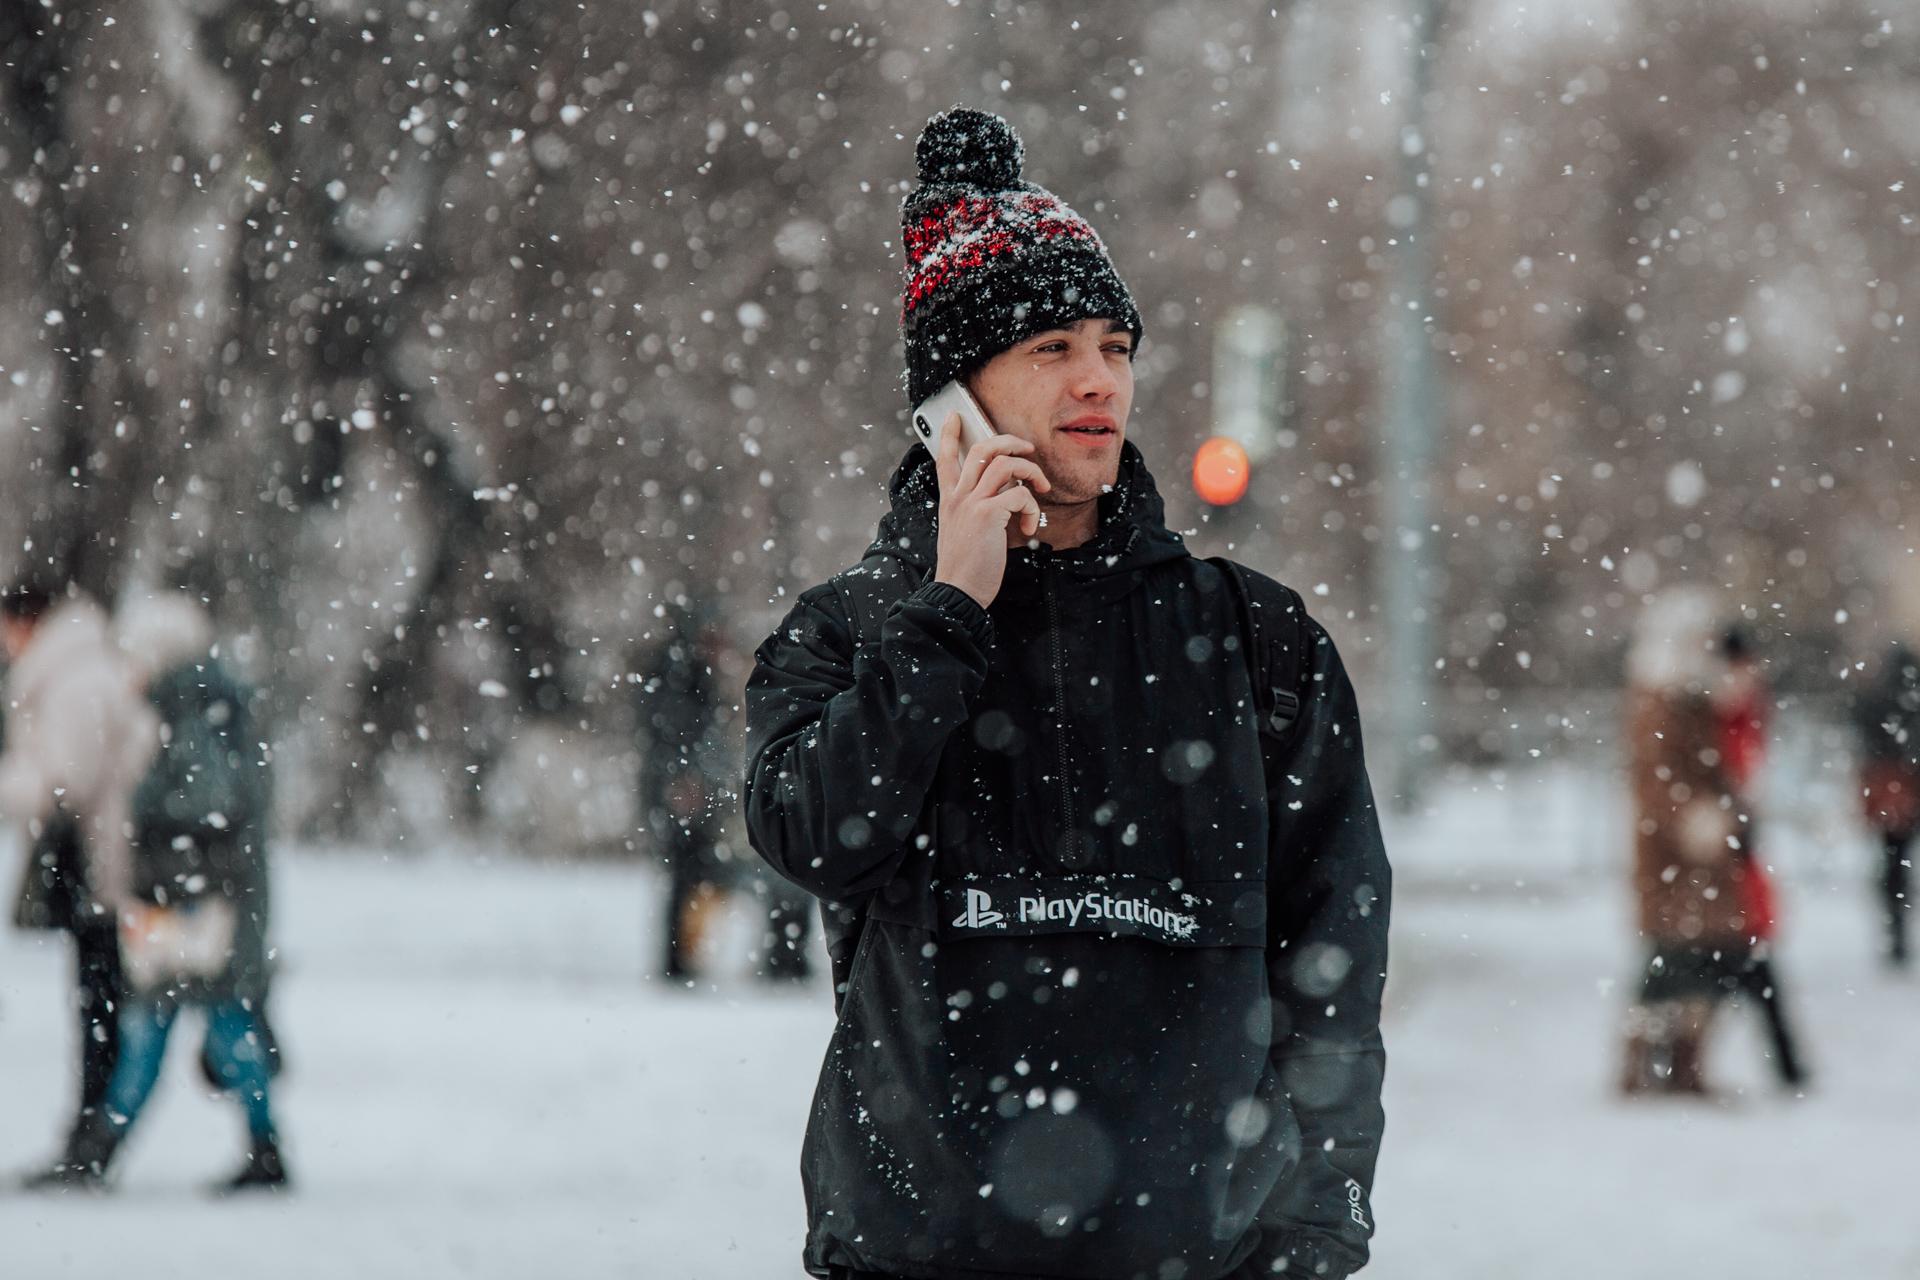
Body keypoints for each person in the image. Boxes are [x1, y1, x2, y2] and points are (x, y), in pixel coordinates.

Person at [744, 108, 1390, 1280]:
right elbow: (811, 835)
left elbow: (1334, 959)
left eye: (1116, 345)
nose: (1098, 379)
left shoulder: (1257, 639)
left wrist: (1313, 1233)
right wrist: (948, 610)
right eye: (1051, 348)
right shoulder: (852, 632)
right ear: (951, 397)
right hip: (921, 1255)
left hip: (1201, 1259)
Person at [24, 590, 286, 1192]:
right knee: (208, 1018)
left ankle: (106, 1148)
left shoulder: (190, 703)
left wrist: (141, 804)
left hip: (199, 896)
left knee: (171, 1018)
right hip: (210, 891)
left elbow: (206, 798)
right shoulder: (210, 698)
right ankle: (255, 1144)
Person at [2, 581, 154, 1171]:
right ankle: (90, 1137)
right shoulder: (77, 669)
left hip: (100, 867)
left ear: (26, 622)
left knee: (100, 1007)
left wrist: (11, 785)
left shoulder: (72, 680)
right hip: (99, 864)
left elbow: (67, 778)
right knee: (102, 1004)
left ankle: (91, 1140)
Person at [1619, 593, 1772, 1096]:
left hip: (1700, 858)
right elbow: (1656, 780)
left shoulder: (1690, 700)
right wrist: (1693, 818)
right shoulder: (1660, 702)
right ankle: (1648, 1067)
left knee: (1697, 962)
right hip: (1674, 856)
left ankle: (1679, 1066)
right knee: (1670, 962)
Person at [639, 604, 810, 982]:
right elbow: (675, 735)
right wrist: (681, 778)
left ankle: (683, 957)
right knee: (693, 875)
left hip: (690, 791)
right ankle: (683, 957)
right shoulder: (683, 683)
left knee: (693, 876)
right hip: (687, 793)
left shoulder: (685, 680)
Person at [1852, 640, 1919, 968]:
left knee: (1893, 862)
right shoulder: (1908, 700)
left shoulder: (1876, 700)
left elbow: (1863, 736)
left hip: (1890, 785)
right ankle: (1896, 931)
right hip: (1905, 782)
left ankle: (1896, 932)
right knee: (1896, 863)